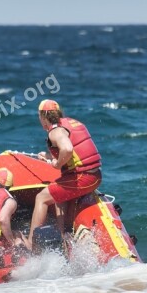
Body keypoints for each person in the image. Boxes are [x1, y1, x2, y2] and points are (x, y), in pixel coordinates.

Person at [27, 100, 102, 249]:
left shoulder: (55, 131)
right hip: (95, 176)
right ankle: (62, 234)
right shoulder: (71, 123)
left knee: (41, 197)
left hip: (83, 178)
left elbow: (67, 149)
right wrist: (49, 156)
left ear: (43, 117)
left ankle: (30, 244)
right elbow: (75, 152)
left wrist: (57, 164)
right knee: (57, 192)